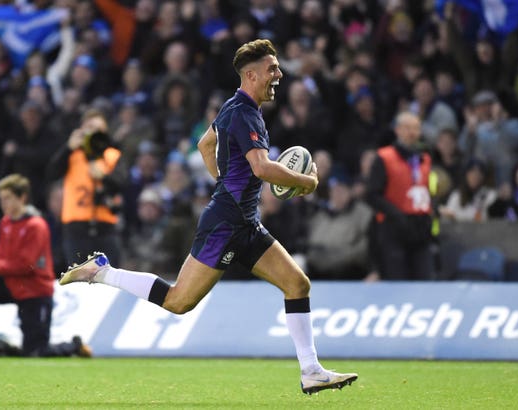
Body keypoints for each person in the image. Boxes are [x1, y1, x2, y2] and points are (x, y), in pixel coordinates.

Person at [59, 39, 357, 394]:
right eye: (271, 69)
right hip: (225, 224)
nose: (278, 75)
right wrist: (305, 182)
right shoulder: (244, 112)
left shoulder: (235, 108)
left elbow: (205, 145)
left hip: (243, 220)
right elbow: (261, 167)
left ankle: (311, 371)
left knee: (297, 284)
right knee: (178, 302)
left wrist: (225, 182)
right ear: (251, 74)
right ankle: (102, 272)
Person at [0, 174, 91, 357]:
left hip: (34, 290)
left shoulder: (36, 225)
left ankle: (73, 347)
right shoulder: (5, 223)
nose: (3, 204)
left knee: (36, 351)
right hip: (12, 285)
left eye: (7, 198)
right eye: (1, 199)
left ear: (22, 198)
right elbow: (4, 258)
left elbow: (25, 265)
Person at [46, 108, 126, 266]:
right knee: (79, 282)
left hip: (106, 226)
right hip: (76, 228)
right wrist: (68, 148)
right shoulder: (72, 154)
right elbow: (51, 173)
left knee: (110, 280)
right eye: (90, 128)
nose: (94, 133)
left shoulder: (112, 154)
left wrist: (104, 177)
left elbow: (123, 182)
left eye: (99, 130)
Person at [365, 112, 435, 280]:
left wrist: (433, 210)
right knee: (397, 281)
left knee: (425, 280)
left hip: (421, 227)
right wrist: (397, 214)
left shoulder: (424, 159)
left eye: (416, 128)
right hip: (393, 228)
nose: (412, 133)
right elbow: (372, 194)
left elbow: (427, 190)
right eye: (407, 128)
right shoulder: (384, 157)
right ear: (397, 130)